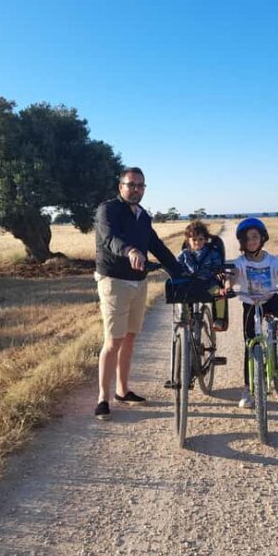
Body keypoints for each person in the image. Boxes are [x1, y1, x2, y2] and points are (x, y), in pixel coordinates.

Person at [94, 167, 182, 420]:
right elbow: (110, 239)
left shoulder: (143, 216)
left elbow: (155, 245)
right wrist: (131, 251)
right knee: (113, 341)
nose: (136, 189)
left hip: (138, 282)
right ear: (120, 186)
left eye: (140, 185)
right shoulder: (107, 210)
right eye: (131, 184)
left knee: (130, 337)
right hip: (114, 281)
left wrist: (178, 268)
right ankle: (103, 397)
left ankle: (122, 390)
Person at [226, 218, 278, 409]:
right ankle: (248, 389)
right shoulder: (241, 261)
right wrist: (227, 286)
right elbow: (233, 275)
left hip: (270, 300)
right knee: (249, 346)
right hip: (250, 306)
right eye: (247, 239)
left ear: (262, 238)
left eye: (255, 237)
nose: (251, 241)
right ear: (242, 243)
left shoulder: (272, 260)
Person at [177, 220, 228, 329]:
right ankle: (184, 316)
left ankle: (219, 319)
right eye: (194, 240)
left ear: (205, 239)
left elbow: (218, 265)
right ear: (188, 240)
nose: (197, 242)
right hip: (191, 284)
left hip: (208, 284)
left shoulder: (212, 253)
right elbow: (176, 266)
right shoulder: (184, 254)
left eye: (200, 239)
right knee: (179, 290)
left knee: (219, 293)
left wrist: (218, 272)